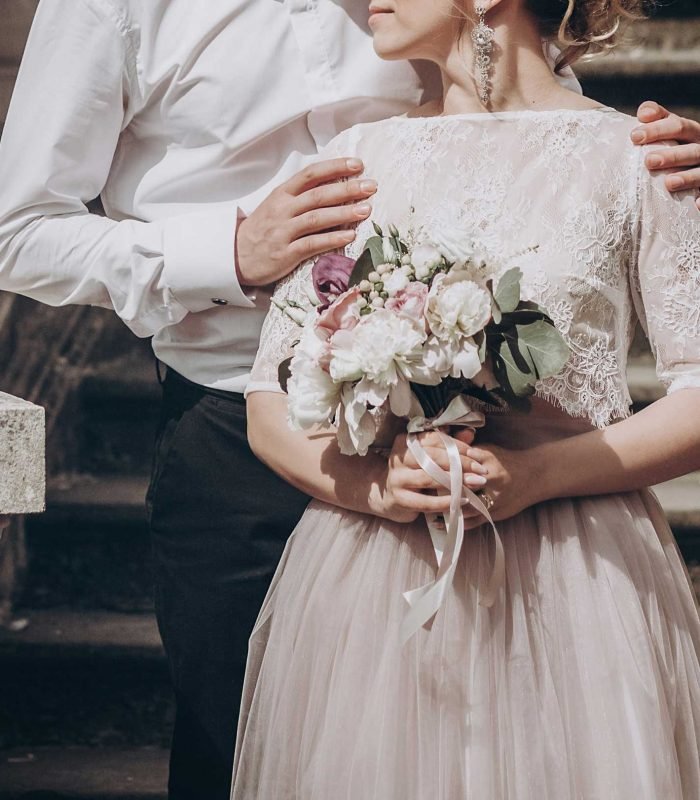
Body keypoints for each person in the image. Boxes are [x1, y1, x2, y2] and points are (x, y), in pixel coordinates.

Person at [0, 3, 698, 799]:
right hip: (242, 436)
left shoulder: (605, 145)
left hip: (546, 505)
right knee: (246, 754)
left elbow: (518, 111)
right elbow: (14, 229)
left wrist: (649, 168)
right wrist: (225, 252)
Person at [232, 0, 700, 797]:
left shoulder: (639, 157)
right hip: (379, 577)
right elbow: (266, 402)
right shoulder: (353, 161)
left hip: (579, 574)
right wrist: (376, 487)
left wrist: (538, 477)